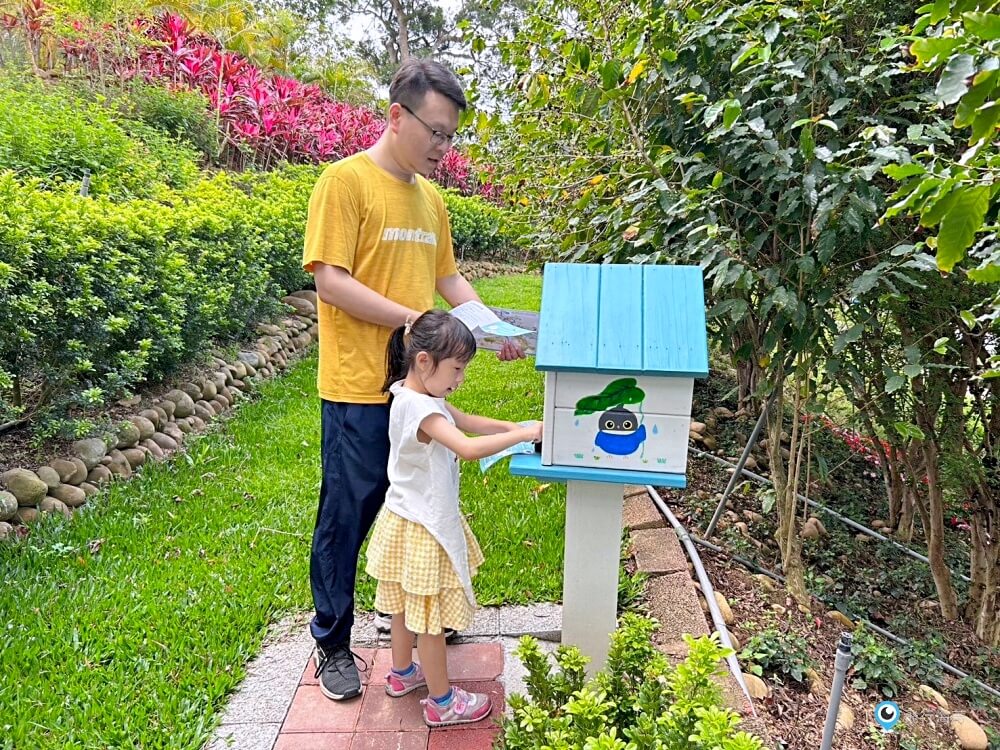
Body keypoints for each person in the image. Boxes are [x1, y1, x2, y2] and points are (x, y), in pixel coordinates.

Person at [301, 58, 524, 703]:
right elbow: (330, 281)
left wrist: (485, 328)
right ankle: (333, 643)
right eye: (436, 132)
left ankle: (417, 625)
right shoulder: (344, 183)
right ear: (397, 116)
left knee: (417, 514)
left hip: (420, 391)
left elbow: (449, 279)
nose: (443, 147)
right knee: (348, 516)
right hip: (356, 386)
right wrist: (415, 323)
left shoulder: (432, 200)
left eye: (451, 135)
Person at [365, 310, 543, 726]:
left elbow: (465, 421)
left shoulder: (416, 396)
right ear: (424, 361)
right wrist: (521, 435)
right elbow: (466, 446)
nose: (460, 379)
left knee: (404, 605)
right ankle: (442, 702)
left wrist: (517, 425)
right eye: (457, 369)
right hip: (425, 525)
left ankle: (402, 672)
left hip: (403, 517)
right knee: (429, 618)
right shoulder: (423, 412)